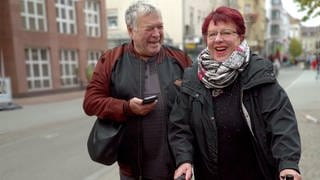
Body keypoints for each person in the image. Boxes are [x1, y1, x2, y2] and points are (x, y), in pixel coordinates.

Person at [168, 6, 302, 180]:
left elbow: (281, 122)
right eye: (212, 34)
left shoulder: (258, 73)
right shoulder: (193, 77)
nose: (218, 39)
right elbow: (180, 127)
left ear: (240, 37)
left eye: (226, 33)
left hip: (256, 174)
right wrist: (184, 160)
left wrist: (288, 164)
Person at [82, 2, 192, 180]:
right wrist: (126, 108)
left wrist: (187, 157)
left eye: (160, 27)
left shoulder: (179, 59)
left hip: (174, 167)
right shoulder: (112, 59)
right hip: (132, 170)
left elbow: (196, 106)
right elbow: (90, 102)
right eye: (149, 28)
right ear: (130, 30)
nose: (157, 34)